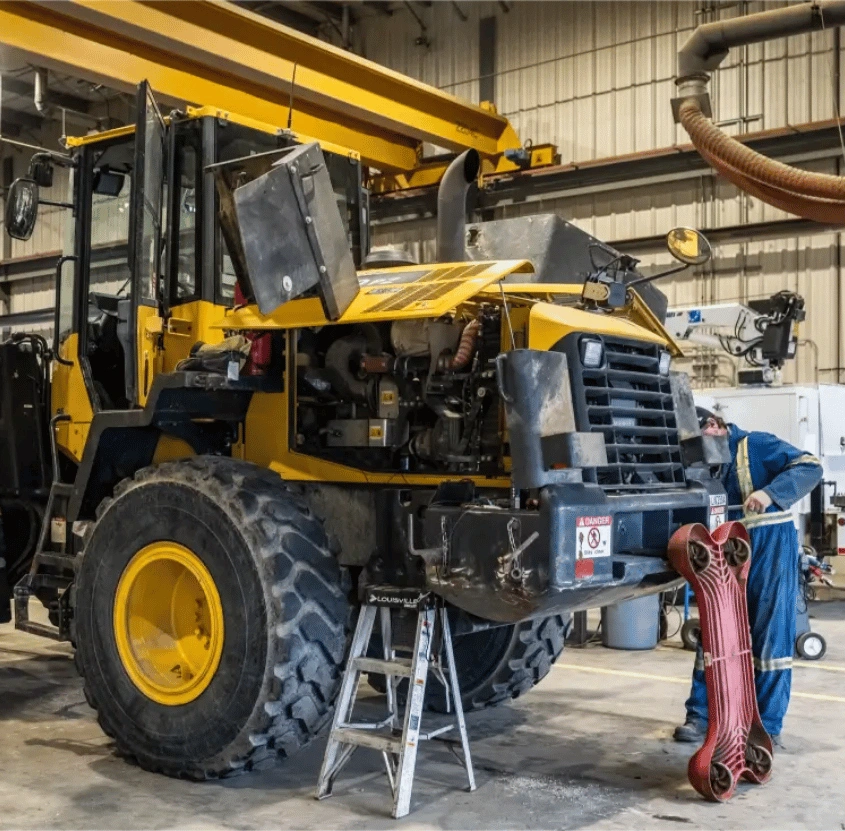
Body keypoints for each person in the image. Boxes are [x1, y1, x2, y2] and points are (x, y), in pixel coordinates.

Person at [674, 410, 823, 748]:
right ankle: (700, 715)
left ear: (714, 427)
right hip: (725, 555)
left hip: (770, 553)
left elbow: (811, 466)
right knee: (715, 632)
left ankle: (766, 726)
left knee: (771, 639)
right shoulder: (708, 463)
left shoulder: (755, 444)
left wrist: (769, 494)